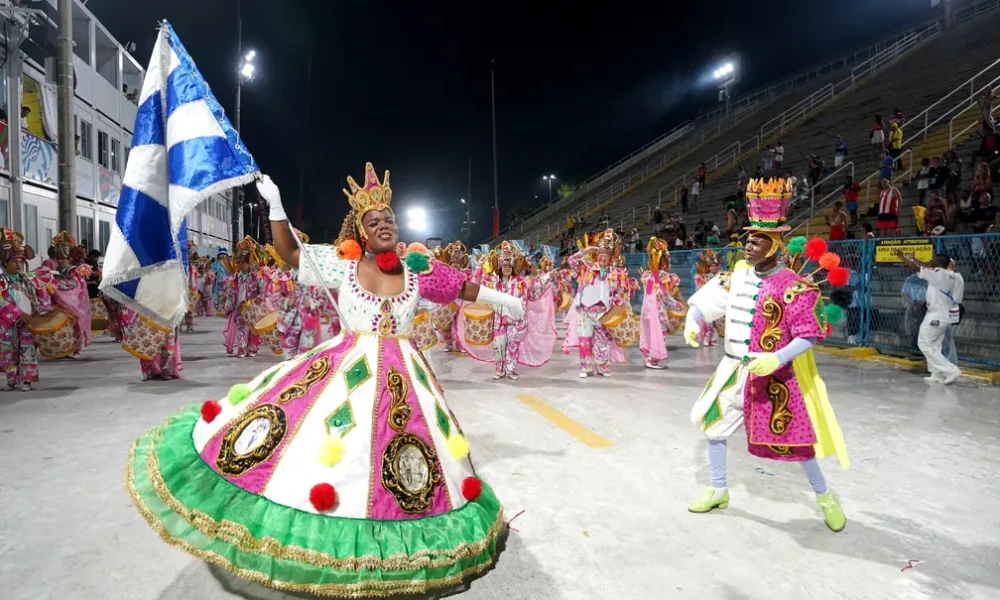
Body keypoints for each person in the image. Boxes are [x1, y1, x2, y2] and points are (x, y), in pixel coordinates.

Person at [127, 165, 521, 596]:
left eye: (389, 219)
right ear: (361, 232)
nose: (384, 225)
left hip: (403, 378)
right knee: (330, 448)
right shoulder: (343, 264)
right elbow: (291, 253)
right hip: (347, 370)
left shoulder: (416, 267)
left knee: (402, 457)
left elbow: (460, 287)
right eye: (374, 221)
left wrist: (503, 300)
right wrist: (276, 206)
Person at [683, 176, 850, 530]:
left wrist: (777, 358)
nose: (748, 245)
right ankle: (718, 490)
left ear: (774, 246)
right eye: (748, 238)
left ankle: (825, 497)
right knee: (713, 428)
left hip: (774, 375)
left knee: (797, 442)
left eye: (757, 240)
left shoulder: (794, 286)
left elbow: (810, 334)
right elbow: (707, 300)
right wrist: (692, 320)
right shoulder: (737, 276)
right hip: (732, 370)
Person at [464, 242, 555, 380]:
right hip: (498, 321)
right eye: (504, 266)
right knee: (499, 345)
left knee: (513, 345)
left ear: (513, 267)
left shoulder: (521, 282)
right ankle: (499, 370)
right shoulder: (492, 282)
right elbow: (476, 282)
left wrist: (548, 276)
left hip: (515, 321)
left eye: (509, 266)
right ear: (500, 268)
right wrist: (479, 266)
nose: (506, 268)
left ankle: (511, 370)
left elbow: (536, 287)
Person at [563, 229, 634, 378]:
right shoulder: (586, 268)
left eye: (606, 256)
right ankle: (586, 368)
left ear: (610, 258)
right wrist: (586, 250)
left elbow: (617, 293)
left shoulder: (615, 273)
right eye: (601, 255)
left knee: (604, 341)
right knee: (585, 340)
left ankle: (602, 367)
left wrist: (619, 304)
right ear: (596, 256)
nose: (603, 258)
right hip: (585, 312)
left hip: (604, 313)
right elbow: (571, 261)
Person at [897, 252, 963, 385]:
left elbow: (917, 267)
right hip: (946, 315)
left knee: (924, 344)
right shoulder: (953, 276)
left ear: (937, 264)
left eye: (933, 260)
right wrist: (915, 259)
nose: (930, 262)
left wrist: (904, 258)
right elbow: (926, 266)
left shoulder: (938, 274)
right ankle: (936, 374)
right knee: (935, 345)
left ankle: (950, 370)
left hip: (936, 315)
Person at [0, 228, 52, 391]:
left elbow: (38, 297)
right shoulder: (2, 281)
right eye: (14, 261)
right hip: (8, 324)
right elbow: (1, 302)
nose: (18, 264)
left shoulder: (27, 280)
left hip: (28, 321)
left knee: (28, 349)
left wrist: (42, 312)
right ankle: (12, 380)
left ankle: (27, 380)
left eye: (21, 261)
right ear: (5, 263)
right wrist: (18, 314)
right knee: (9, 351)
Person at [32, 232, 92, 359]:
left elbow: (74, 286)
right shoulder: (55, 271)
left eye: (63, 258)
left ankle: (75, 349)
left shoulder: (74, 271)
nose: (59, 261)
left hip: (72, 303)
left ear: (70, 259)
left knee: (74, 327)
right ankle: (62, 349)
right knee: (63, 328)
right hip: (58, 303)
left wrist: (55, 285)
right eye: (58, 258)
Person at [639, 238, 684, 369]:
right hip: (658, 313)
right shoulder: (662, 277)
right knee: (660, 334)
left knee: (649, 333)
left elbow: (650, 293)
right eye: (667, 258)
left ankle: (648, 358)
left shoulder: (648, 276)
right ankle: (652, 360)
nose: (669, 261)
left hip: (647, 311)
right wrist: (677, 305)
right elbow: (663, 296)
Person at [220, 236, 266, 357]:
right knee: (241, 327)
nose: (240, 265)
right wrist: (228, 306)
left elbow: (263, 290)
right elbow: (231, 293)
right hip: (240, 307)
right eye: (238, 262)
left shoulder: (256, 276)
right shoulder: (236, 277)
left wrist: (259, 299)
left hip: (253, 307)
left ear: (248, 262)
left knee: (253, 328)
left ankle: (252, 347)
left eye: (242, 262)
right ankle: (242, 347)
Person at [693, 249, 722, 346]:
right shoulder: (705, 277)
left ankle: (713, 339)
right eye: (711, 266)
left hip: (718, 301)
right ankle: (706, 337)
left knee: (716, 322)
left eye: (715, 265)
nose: (713, 267)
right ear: (708, 267)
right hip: (708, 301)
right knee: (709, 321)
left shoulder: (720, 276)